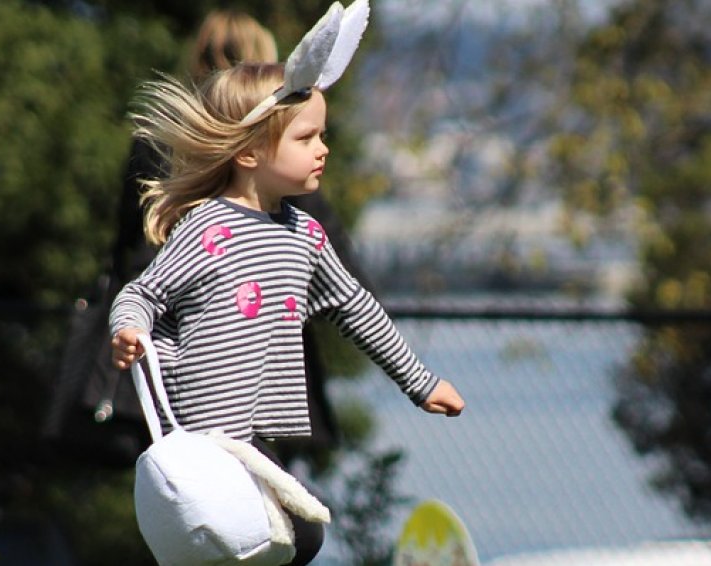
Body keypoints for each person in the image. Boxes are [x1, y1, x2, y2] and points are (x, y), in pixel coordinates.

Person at [108, 60, 466, 565]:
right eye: (306, 138)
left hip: (255, 436)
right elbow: (142, 293)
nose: (323, 149)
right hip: (201, 436)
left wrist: (421, 382)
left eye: (322, 135)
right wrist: (129, 328)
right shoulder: (208, 230)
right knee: (278, 540)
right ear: (250, 151)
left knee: (295, 539)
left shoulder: (306, 235)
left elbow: (356, 308)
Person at [114, 10, 369, 469]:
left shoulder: (157, 143)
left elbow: (125, 250)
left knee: (177, 493)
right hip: (262, 363)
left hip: (163, 355)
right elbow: (346, 271)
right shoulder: (276, 162)